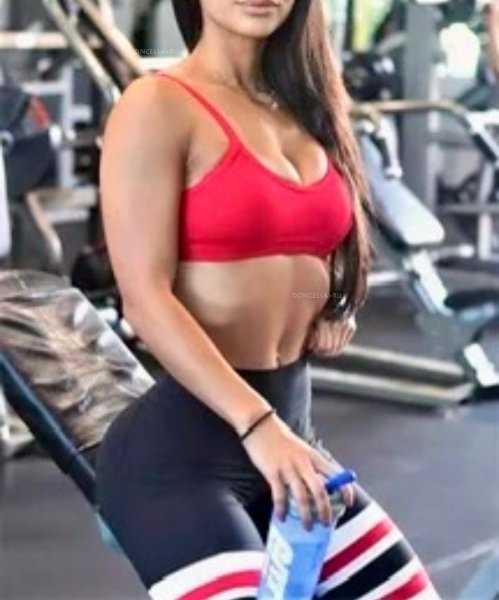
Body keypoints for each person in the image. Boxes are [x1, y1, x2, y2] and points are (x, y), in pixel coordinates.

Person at [96, 1, 441, 598]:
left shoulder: (306, 107)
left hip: (291, 443)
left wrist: (329, 306)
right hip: (181, 465)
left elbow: (309, 264)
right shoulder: (156, 105)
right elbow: (145, 299)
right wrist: (258, 426)